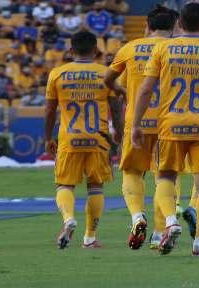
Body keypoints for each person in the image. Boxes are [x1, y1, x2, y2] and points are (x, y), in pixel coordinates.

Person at [130, 3, 199, 256]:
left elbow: (146, 89)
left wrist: (136, 123)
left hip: (171, 124)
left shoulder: (162, 49)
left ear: (179, 24)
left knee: (166, 176)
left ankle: (170, 221)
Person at [104, 5, 177, 250]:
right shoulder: (176, 50)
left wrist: (122, 91)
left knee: (132, 172)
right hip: (168, 122)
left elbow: (109, 81)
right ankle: (160, 230)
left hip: (137, 121)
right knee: (164, 176)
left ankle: (137, 216)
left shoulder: (130, 48)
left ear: (147, 26)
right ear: (173, 27)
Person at [44, 30, 121, 250]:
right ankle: (89, 238)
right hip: (98, 139)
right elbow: (115, 107)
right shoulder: (106, 73)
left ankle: (69, 219)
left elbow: (50, 111)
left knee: (64, 184)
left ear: (70, 51)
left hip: (69, 139)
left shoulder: (57, 74)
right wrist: (119, 134)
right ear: (96, 50)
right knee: (96, 187)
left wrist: (48, 137)